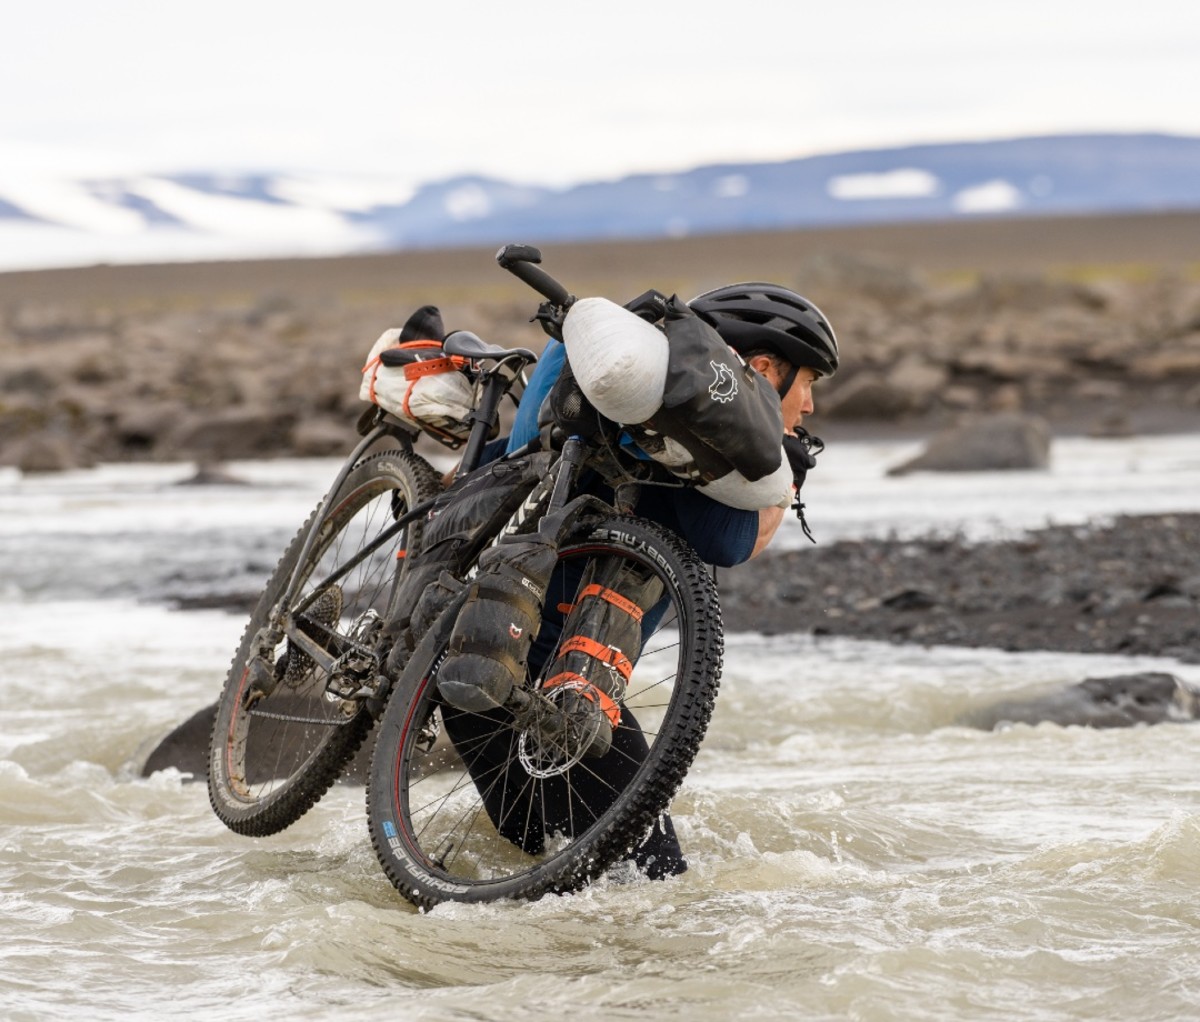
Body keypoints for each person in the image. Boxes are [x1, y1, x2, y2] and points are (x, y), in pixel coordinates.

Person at [437, 281, 839, 879]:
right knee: (653, 892)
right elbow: (736, 543)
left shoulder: (589, 419)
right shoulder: (690, 467)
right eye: (806, 384)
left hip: (477, 655)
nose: (807, 406)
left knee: (543, 886)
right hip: (558, 695)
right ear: (761, 369)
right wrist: (785, 479)